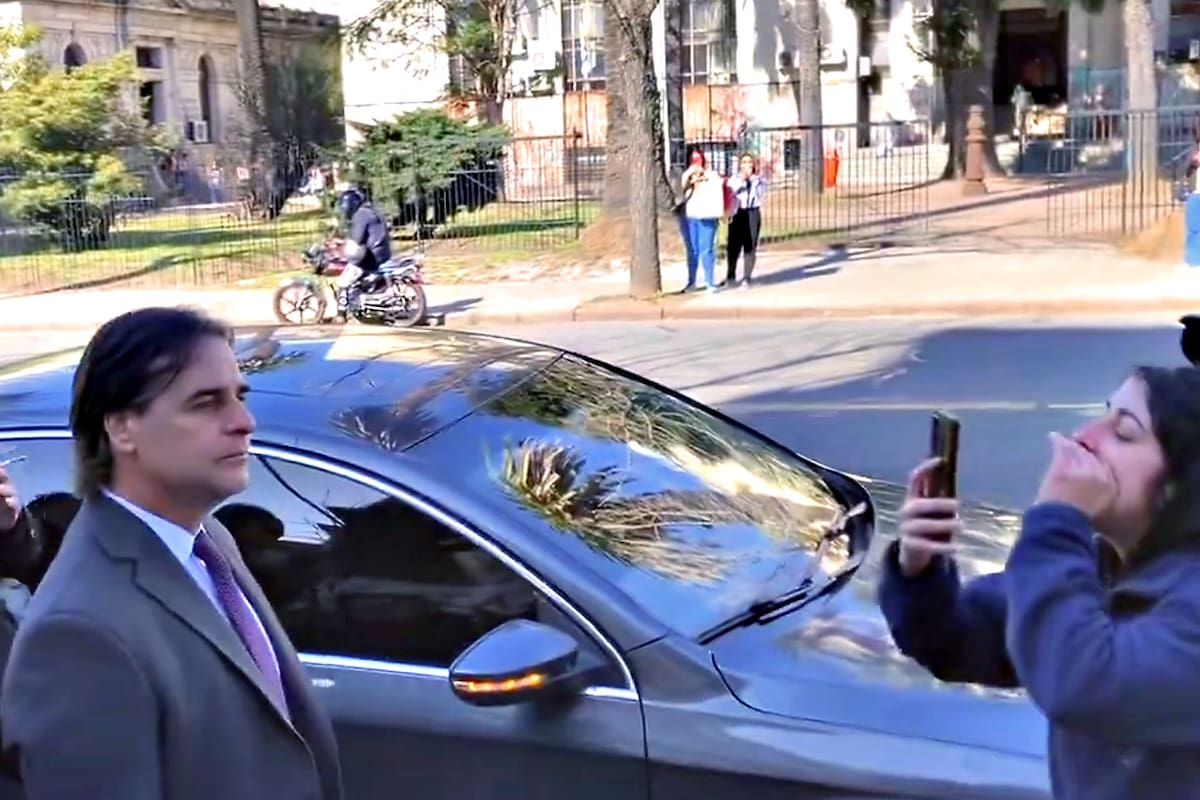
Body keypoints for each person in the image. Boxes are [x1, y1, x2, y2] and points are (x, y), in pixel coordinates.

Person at [0, 307, 343, 800]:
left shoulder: (208, 539)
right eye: (205, 403)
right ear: (122, 427)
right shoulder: (78, 632)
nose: (243, 422)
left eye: (239, 397)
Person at [878, 365, 1200, 800]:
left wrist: (1057, 519)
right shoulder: (1103, 565)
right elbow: (959, 641)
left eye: (1124, 432)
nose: (1084, 436)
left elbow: (1082, 684)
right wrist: (920, 569)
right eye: (1102, 414)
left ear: (1179, 487)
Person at [334, 186, 393, 317]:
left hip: (372, 256)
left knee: (343, 281)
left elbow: (357, 239)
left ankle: (340, 314)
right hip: (383, 253)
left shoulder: (361, 215)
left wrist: (342, 246)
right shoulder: (369, 211)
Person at [679, 147, 724, 294]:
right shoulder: (687, 176)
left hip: (707, 216)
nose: (696, 164)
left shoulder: (711, 175)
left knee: (706, 249)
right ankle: (691, 282)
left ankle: (709, 282)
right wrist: (689, 175)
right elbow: (680, 189)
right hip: (691, 216)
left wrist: (704, 178)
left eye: (698, 160)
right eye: (693, 160)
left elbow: (717, 186)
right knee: (692, 250)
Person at [723, 152, 766, 289]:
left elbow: (760, 194)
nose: (747, 165)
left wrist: (752, 181)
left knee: (750, 245)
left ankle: (747, 277)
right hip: (738, 212)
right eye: (744, 162)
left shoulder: (758, 179)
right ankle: (730, 276)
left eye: (749, 162)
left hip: (752, 211)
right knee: (733, 245)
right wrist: (741, 181)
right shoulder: (734, 179)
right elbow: (731, 192)